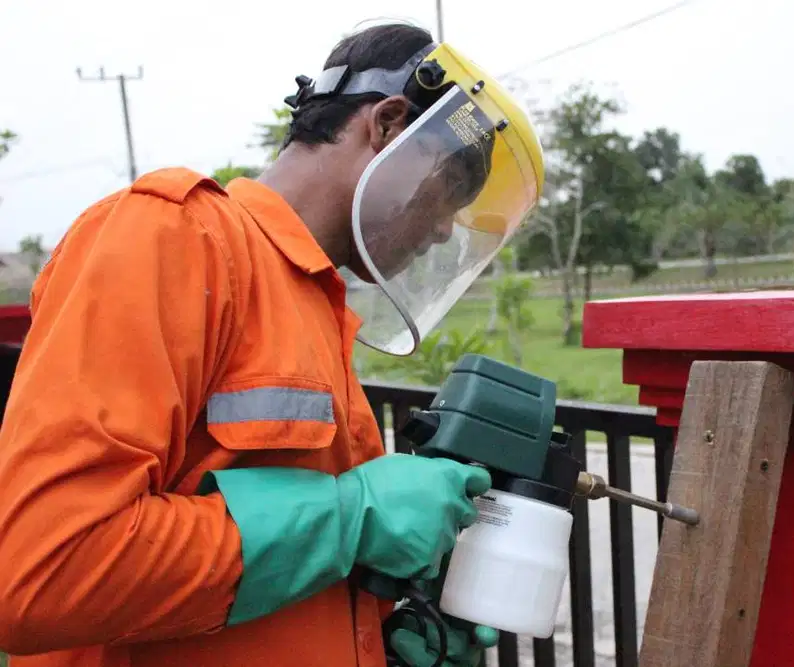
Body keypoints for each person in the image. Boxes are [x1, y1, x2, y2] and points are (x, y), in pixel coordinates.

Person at [0, 21, 544, 667]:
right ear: (390, 124)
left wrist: (377, 632)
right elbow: (42, 568)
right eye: (450, 192)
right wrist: (348, 517)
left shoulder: (314, 304)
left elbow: (279, 567)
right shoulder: (174, 237)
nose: (444, 229)